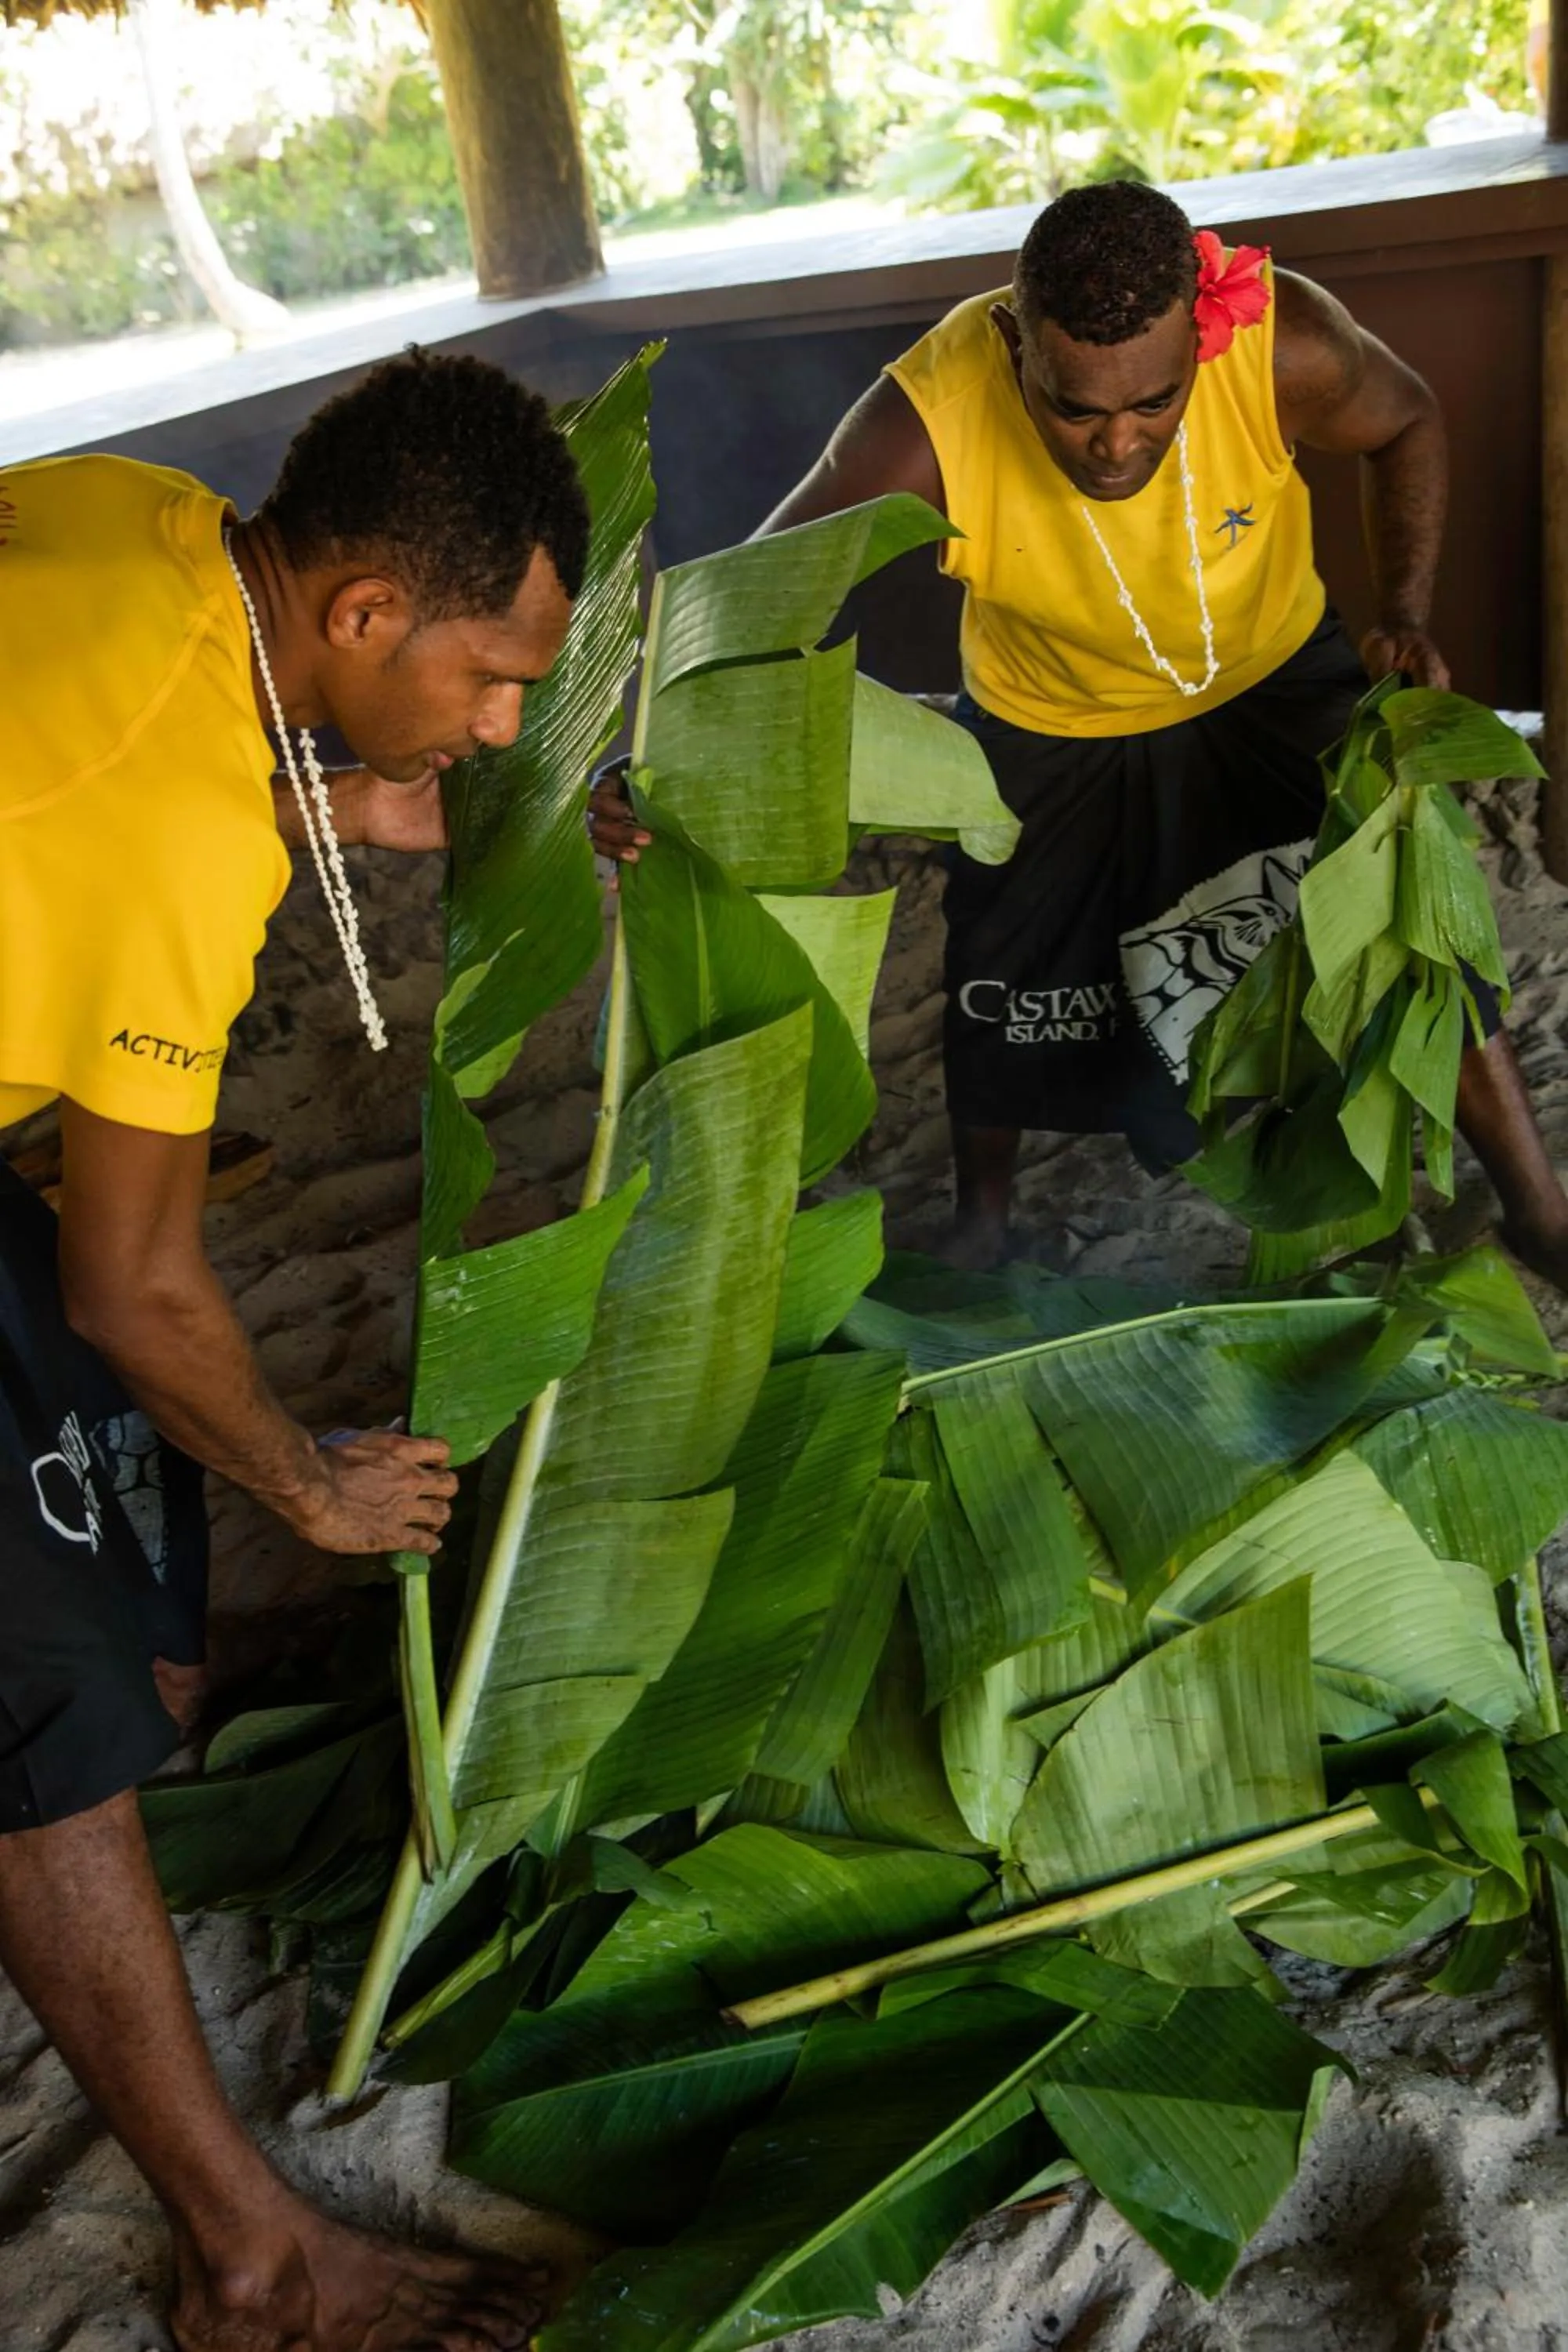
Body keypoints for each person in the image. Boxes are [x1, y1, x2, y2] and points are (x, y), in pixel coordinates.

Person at [0, 349, 585, 2352]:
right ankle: (254, 2262)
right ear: (358, 613)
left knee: (108, 1488)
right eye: (490, 680)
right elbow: (137, 1288)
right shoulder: (177, 833)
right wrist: (311, 1482)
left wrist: (373, 789)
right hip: (99, 1223)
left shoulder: (135, 519)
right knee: (40, 1712)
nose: (501, 722)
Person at [593, 180, 1568, 1281]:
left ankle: (1538, 1208)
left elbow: (1408, 421)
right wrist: (655, 761)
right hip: (1045, 710)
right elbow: (761, 597)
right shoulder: (924, 419)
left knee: (1416, 907)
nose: (1116, 445)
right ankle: (983, 1219)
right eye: (1076, 409)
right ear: (1014, 342)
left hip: (1270, 668)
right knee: (1004, 969)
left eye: (1154, 404)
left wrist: (1403, 611)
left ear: (1199, 338)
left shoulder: (1284, 343)